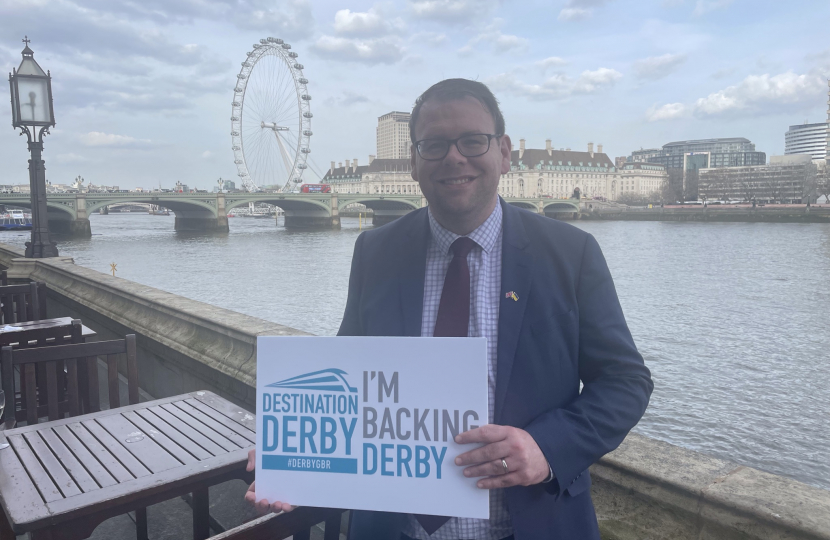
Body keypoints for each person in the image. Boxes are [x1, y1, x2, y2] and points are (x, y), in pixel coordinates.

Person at [246, 78, 653, 539]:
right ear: (415, 163)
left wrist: (546, 446)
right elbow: (354, 381)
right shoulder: (375, 251)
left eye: (472, 141)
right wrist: (294, 451)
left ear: (504, 152)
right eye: (434, 145)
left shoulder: (570, 252)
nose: (454, 157)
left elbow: (625, 381)